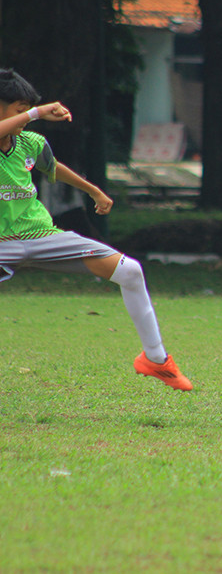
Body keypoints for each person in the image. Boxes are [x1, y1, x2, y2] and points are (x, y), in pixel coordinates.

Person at [0, 68, 191, 391]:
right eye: (20, 112)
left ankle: (156, 361)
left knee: (130, 271)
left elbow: (52, 167)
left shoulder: (30, 143)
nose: (26, 120)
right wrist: (37, 112)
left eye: (27, 112)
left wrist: (94, 191)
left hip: (41, 236)